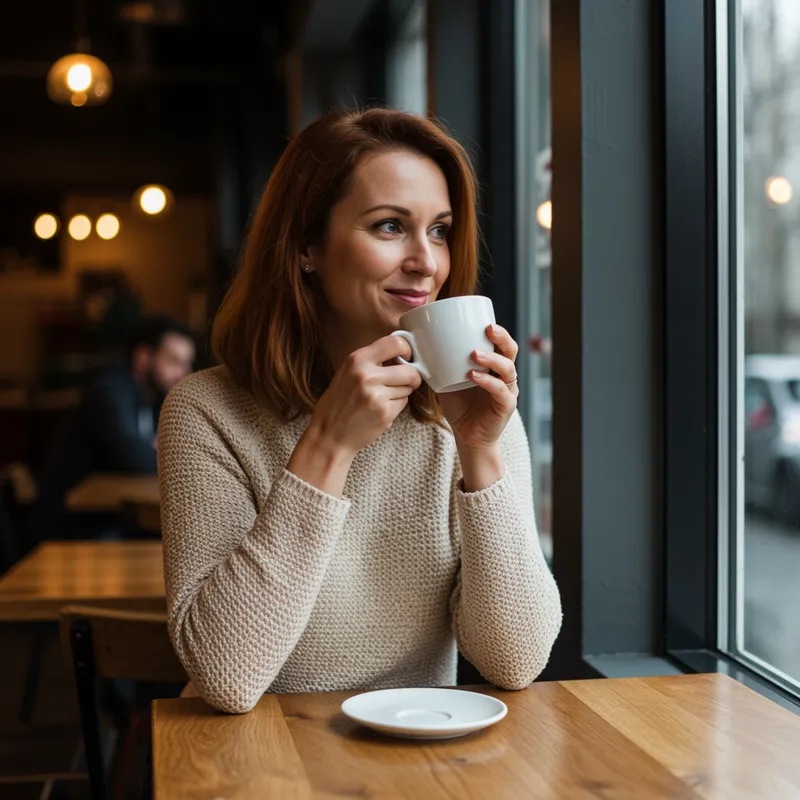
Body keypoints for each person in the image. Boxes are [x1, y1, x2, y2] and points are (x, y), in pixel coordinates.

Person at [158, 108, 562, 715]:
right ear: (305, 248)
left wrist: (480, 450)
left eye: (440, 230)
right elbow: (226, 675)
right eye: (390, 226)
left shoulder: (471, 413)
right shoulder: (206, 411)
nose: (427, 261)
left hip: (420, 757)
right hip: (261, 761)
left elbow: (516, 659)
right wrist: (329, 447)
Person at [32, 315, 195, 542]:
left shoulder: (156, 399)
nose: (183, 374)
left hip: (106, 520)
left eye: (186, 364)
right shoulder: (111, 391)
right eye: (173, 362)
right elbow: (133, 458)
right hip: (71, 527)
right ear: (143, 358)